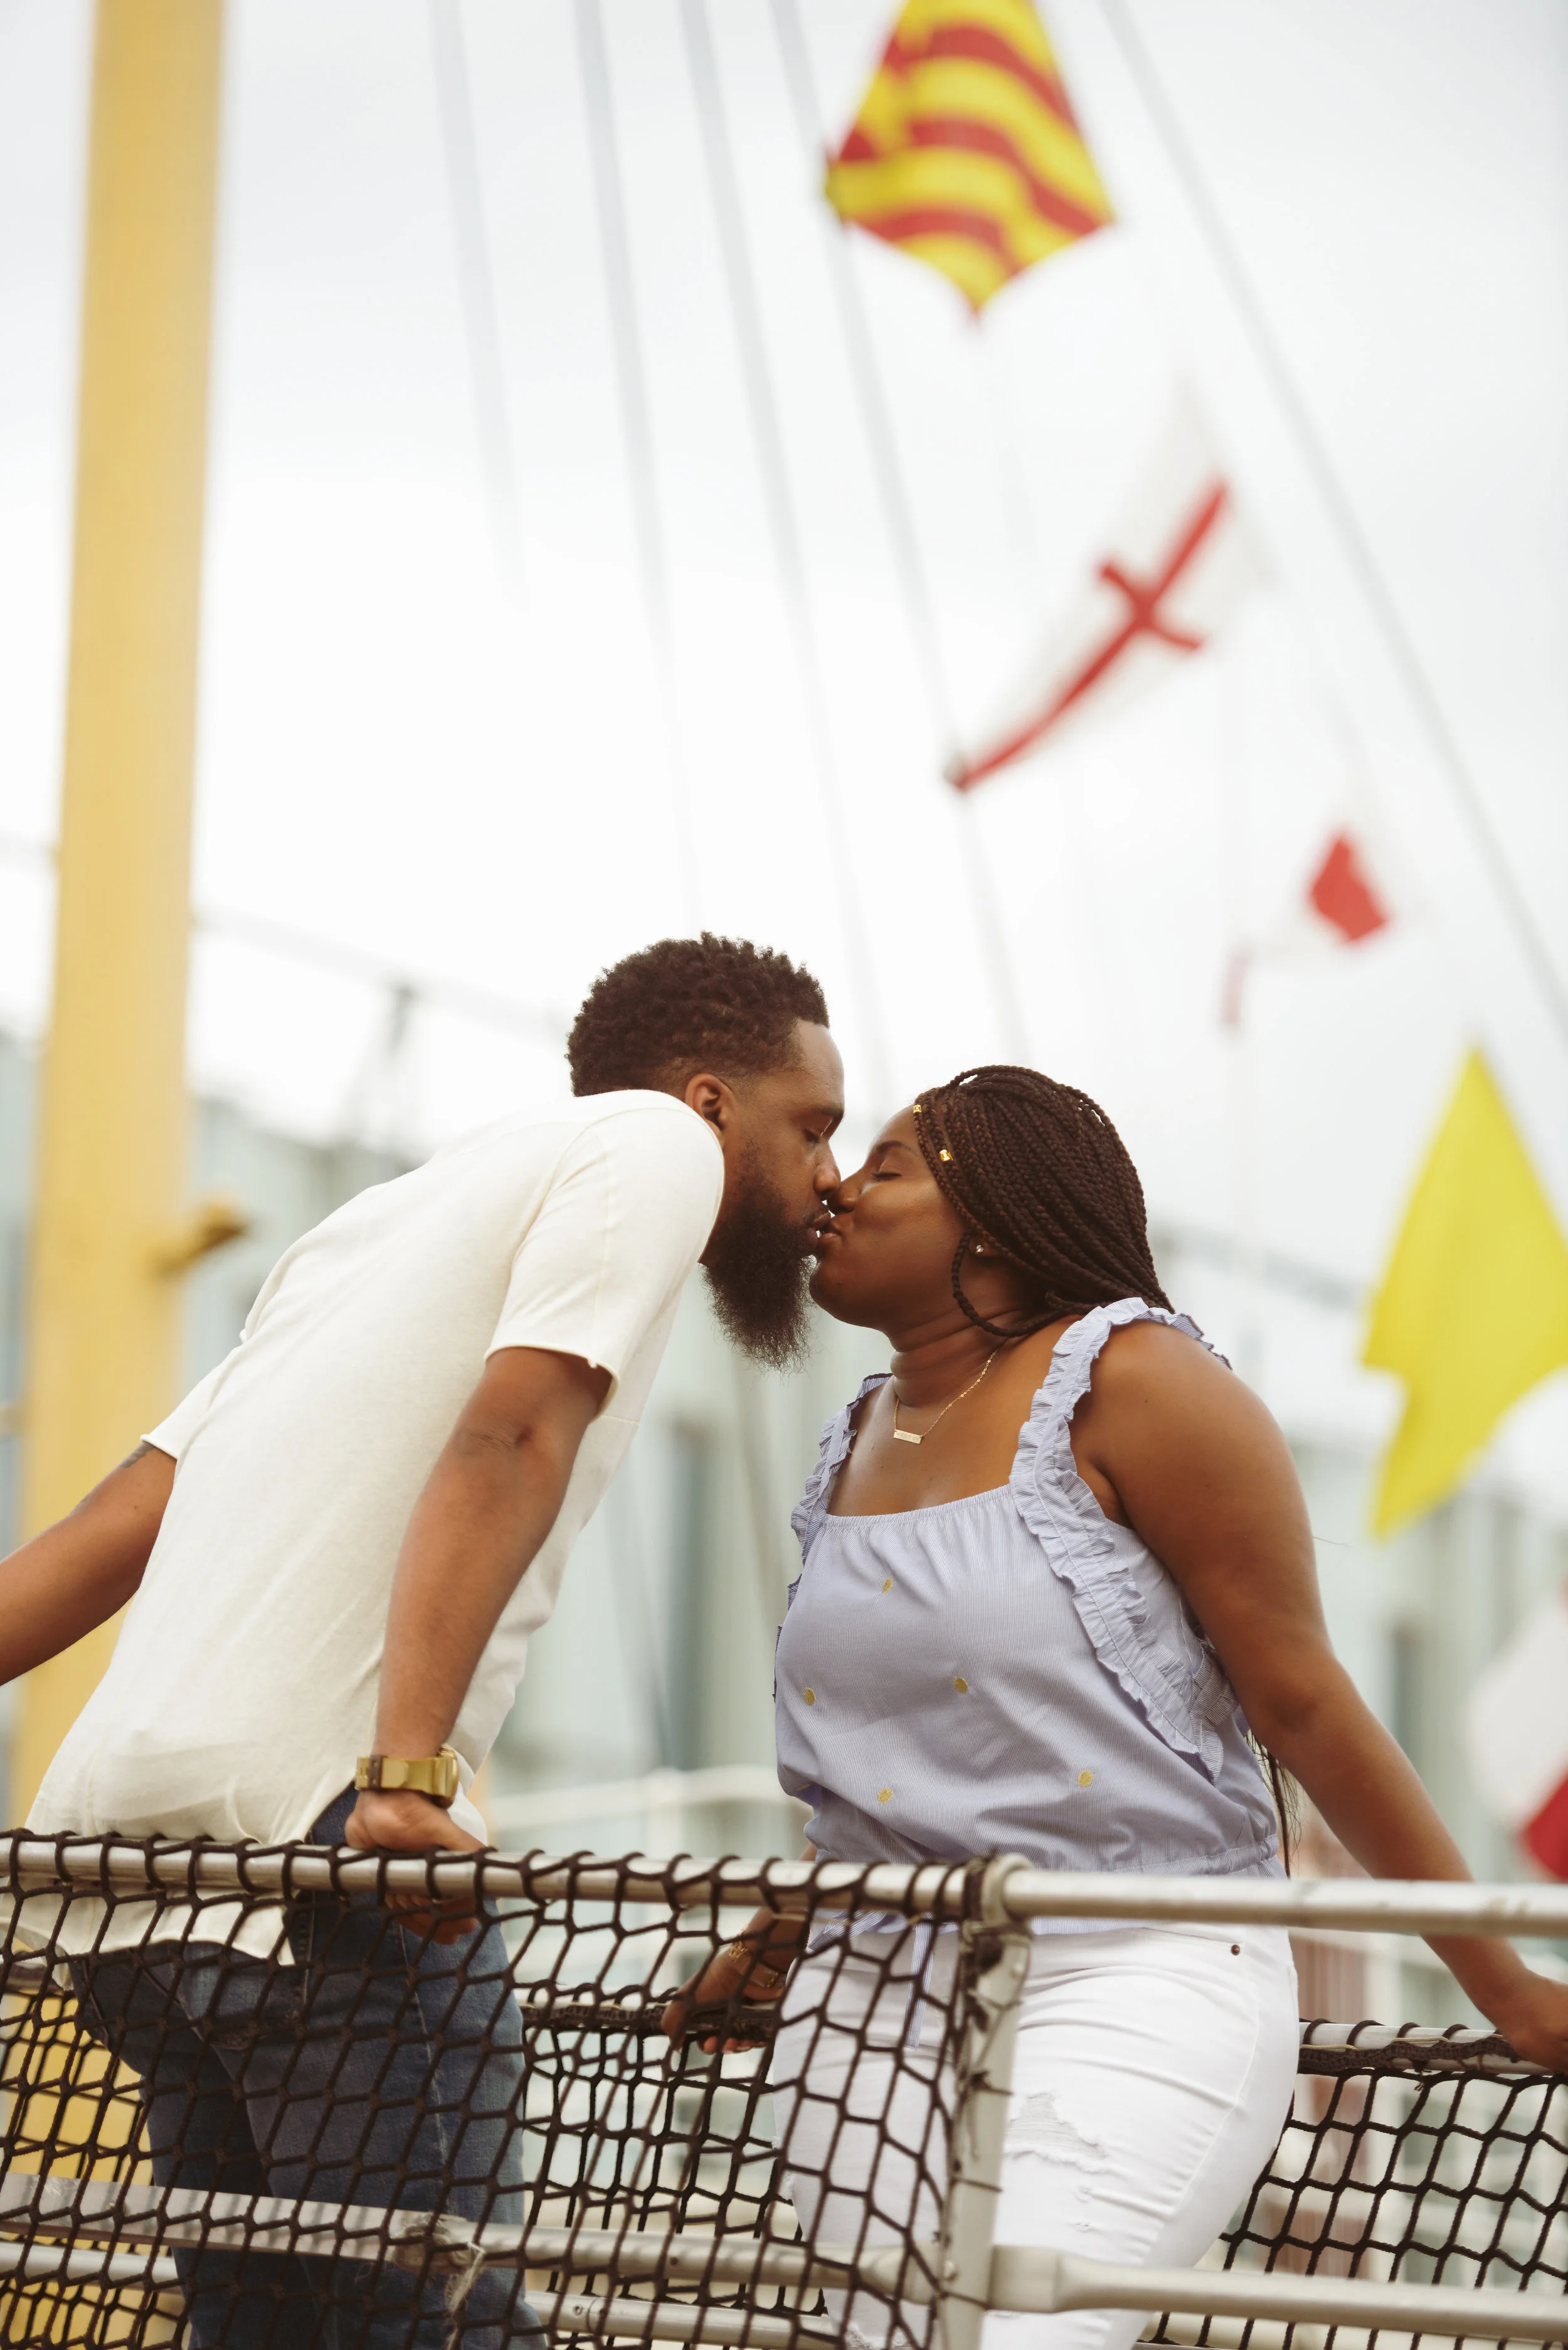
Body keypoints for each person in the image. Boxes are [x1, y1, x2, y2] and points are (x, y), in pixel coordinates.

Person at [0, 933, 844, 2349]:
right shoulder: (653, 1145)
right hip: (327, 1851)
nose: (830, 1175)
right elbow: (513, 1430)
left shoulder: (376, 1224)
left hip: (126, 1882)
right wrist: (405, 1774)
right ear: (709, 1098)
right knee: (443, 2329)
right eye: (812, 1127)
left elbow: (122, 1515)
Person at [669, 1063, 1568, 2350]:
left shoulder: (1135, 1380)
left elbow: (1303, 1702)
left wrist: (1504, 1986)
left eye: (884, 1166)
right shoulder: (857, 1430)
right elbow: (899, 1757)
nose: (833, 1191)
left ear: (990, 1219)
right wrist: (791, 1920)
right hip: (863, 2002)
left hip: (1134, 1968)